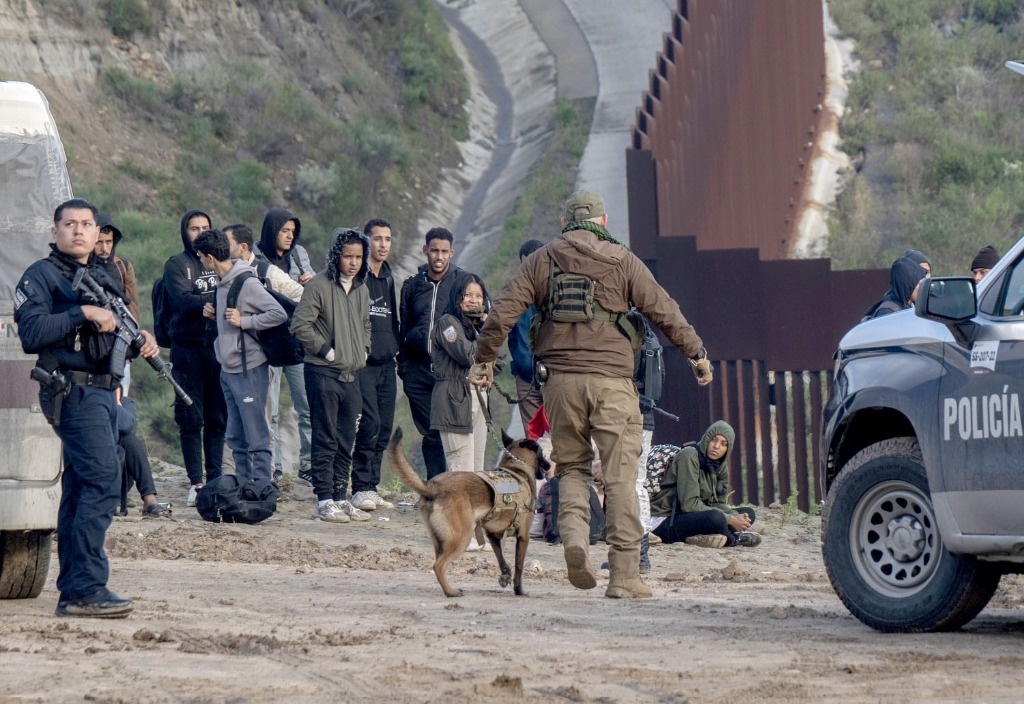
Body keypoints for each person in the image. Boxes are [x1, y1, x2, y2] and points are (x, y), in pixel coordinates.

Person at [470, 189, 712, 599]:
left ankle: (575, 542)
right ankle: (623, 577)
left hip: (560, 384)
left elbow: (504, 311)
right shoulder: (623, 259)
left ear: (565, 224)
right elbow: (663, 310)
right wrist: (697, 353)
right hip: (613, 384)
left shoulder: (542, 259)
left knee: (574, 469)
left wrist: (483, 359)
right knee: (620, 477)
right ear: (602, 222)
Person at [15, 197, 161, 618]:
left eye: (87, 224)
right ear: (55, 232)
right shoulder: (41, 275)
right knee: (101, 478)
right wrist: (81, 311)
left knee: (81, 485)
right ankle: (85, 588)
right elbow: (32, 332)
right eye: (70, 224)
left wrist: (139, 341)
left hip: (103, 391)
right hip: (70, 390)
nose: (79, 231)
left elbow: (115, 337)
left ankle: (75, 587)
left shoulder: (104, 275)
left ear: (98, 233)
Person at [290, 228, 373, 523]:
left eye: (359, 257)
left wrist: (364, 349)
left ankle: (341, 495)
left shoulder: (362, 289)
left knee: (346, 438)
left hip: (352, 374)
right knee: (325, 437)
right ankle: (324, 498)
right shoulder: (318, 286)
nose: (353, 263)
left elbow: (365, 324)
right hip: (323, 373)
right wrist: (327, 351)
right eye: (348, 256)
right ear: (336, 256)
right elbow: (300, 325)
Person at [195, 229, 286, 484]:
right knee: (235, 435)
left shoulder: (247, 282)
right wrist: (215, 312)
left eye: (202, 257)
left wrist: (244, 320)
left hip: (250, 370)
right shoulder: (222, 284)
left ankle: (261, 488)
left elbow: (278, 313)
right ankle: (245, 486)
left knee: (256, 434)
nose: (201, 261)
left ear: (211, 258)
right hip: (229, 369)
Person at [161, 209, 226, 507]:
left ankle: (214, 479)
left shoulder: (218, 263)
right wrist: (208, 303)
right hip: (186, 350)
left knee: (217, 417)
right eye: (193, 228)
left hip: (218, 349)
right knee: (190, 417)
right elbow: (180, 299)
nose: (199, 233)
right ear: (183, 231)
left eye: (205, 227)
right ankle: (195, 482)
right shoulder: (177, 264)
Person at [398, 227, 472, 479]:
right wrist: (405, 371)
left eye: (444, 251)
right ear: (425, 250)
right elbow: (403, 326)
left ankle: (454, 490)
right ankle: (435, 490)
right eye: (434, 251)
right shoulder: (411, 285)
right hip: (417, 373)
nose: (438, 257)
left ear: (452, 252)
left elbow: (480, 326)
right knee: (430, 434)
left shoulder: (464, 283)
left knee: (449, 434)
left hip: (448, 375)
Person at [257, 207, 313, 483]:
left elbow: (312, 292)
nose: (289, 236)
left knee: (307, 406)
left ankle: (309, 465)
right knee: (272, 409)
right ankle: (275, 466)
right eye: (284, 231)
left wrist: (308, 282)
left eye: (293, 231)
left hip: (298, 339)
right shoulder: (256, 257)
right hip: (268, 341)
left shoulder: (299, 256)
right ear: (272, 231)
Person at [350, 218, 399, 512]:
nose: (383, 244)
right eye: (378, 238)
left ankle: (372, 485)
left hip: (387, 363)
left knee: (384, 427)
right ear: (367, 242)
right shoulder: (359, 276)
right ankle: (359, 488)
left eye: (388, 239)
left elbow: (391, 318)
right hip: (364, 364)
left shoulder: (389, 276)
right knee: (369, 425)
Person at [648, 421, 760, 549]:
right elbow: (689, 505)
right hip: (666, 520)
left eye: (723, 444)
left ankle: (713, 535)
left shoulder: (720, 466)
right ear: (706, 439)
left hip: (692, 516)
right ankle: (734, 539)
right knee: (716, 518)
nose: (716, 446)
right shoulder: (689, 456)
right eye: (713, 440)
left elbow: (716, 503)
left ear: (728, 449)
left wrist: (734, 515)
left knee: (748, 513)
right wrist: (730, 519)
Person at [93, 213, 139, 394]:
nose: (105, 248)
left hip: (120, 345)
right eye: (99, 242)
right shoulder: (83, 267)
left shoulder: (122, 267)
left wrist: (131, 344)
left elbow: (133, 307)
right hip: (94, 347)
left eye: (109, 242)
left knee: (121, 400)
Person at [116, 390, 172, 519]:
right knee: (128, 440)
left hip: (117, 476)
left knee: (129, 439)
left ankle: (149, 499)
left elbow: (124, 426)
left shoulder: (126, 402)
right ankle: (149, 500)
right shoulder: (92, 402)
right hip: (95, 469)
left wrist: (115, 402)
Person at [508, 239, 545, 432]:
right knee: (534, 440)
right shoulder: (513, 295)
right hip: (525, 378)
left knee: (560, 438)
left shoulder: (558, 292)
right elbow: (508, 334)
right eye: (525, 265)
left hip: (553, 377)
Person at [864, 255, 929, 321]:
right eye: (919, 283)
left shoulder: (911, 306)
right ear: (907, 284)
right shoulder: (887, 313)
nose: (922, 287)